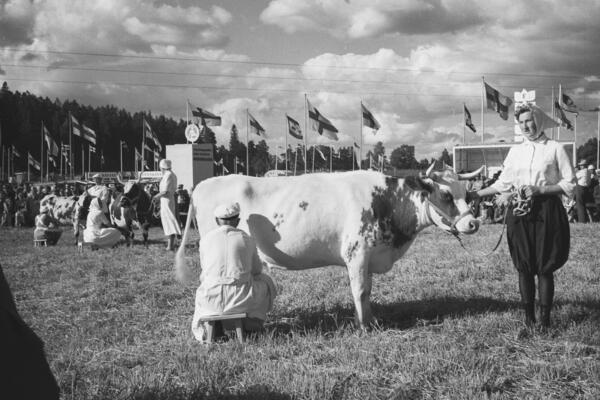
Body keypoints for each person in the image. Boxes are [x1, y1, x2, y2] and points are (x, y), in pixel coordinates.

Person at [468, 104, 575, 329]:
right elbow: (503, 183)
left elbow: (570, 183)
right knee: (524, 266)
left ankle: (545, 322)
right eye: (522, 122)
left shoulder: (555, 148)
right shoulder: (516, 150)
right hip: (519, 211)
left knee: (544, 266)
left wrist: (541, 190)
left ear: (539, 119)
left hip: (547, 211)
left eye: (529, 120)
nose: (526, 126)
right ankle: (528, 318)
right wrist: (476, 193)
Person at [191, 202, 277, 343]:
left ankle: (216, 328)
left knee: (208, 282)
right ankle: (252, 325)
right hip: (241, 299)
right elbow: (256, 270)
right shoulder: (247, 239)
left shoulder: (206, 239)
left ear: (216, 221)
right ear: (237, 221)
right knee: (266, 282)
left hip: (210, 299)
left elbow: (204, 270)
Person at [152, 159, 181, 250]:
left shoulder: (168, 175)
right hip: (167, 200)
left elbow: (165, 191)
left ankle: (170, 245)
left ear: (162, 167)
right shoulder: (171, 174)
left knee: (169, 221)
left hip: (167, 200)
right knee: (169, 221)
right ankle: (171, 244)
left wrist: (156, 196)